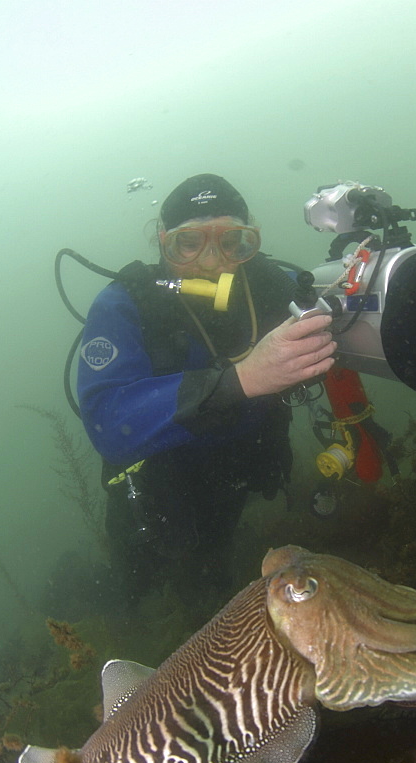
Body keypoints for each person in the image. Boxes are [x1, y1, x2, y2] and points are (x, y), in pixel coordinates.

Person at [77, 173, 335, 605]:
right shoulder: (126, 303)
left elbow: (340, 309)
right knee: (137, 599)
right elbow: (108, 422)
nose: (213, 261)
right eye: (188, 243)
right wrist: (243, 380)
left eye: (233, 241)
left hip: (236, 479)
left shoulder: (270, 284)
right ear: (162, 241)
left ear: (251, 238)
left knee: (215, 578)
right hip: (156, 498)